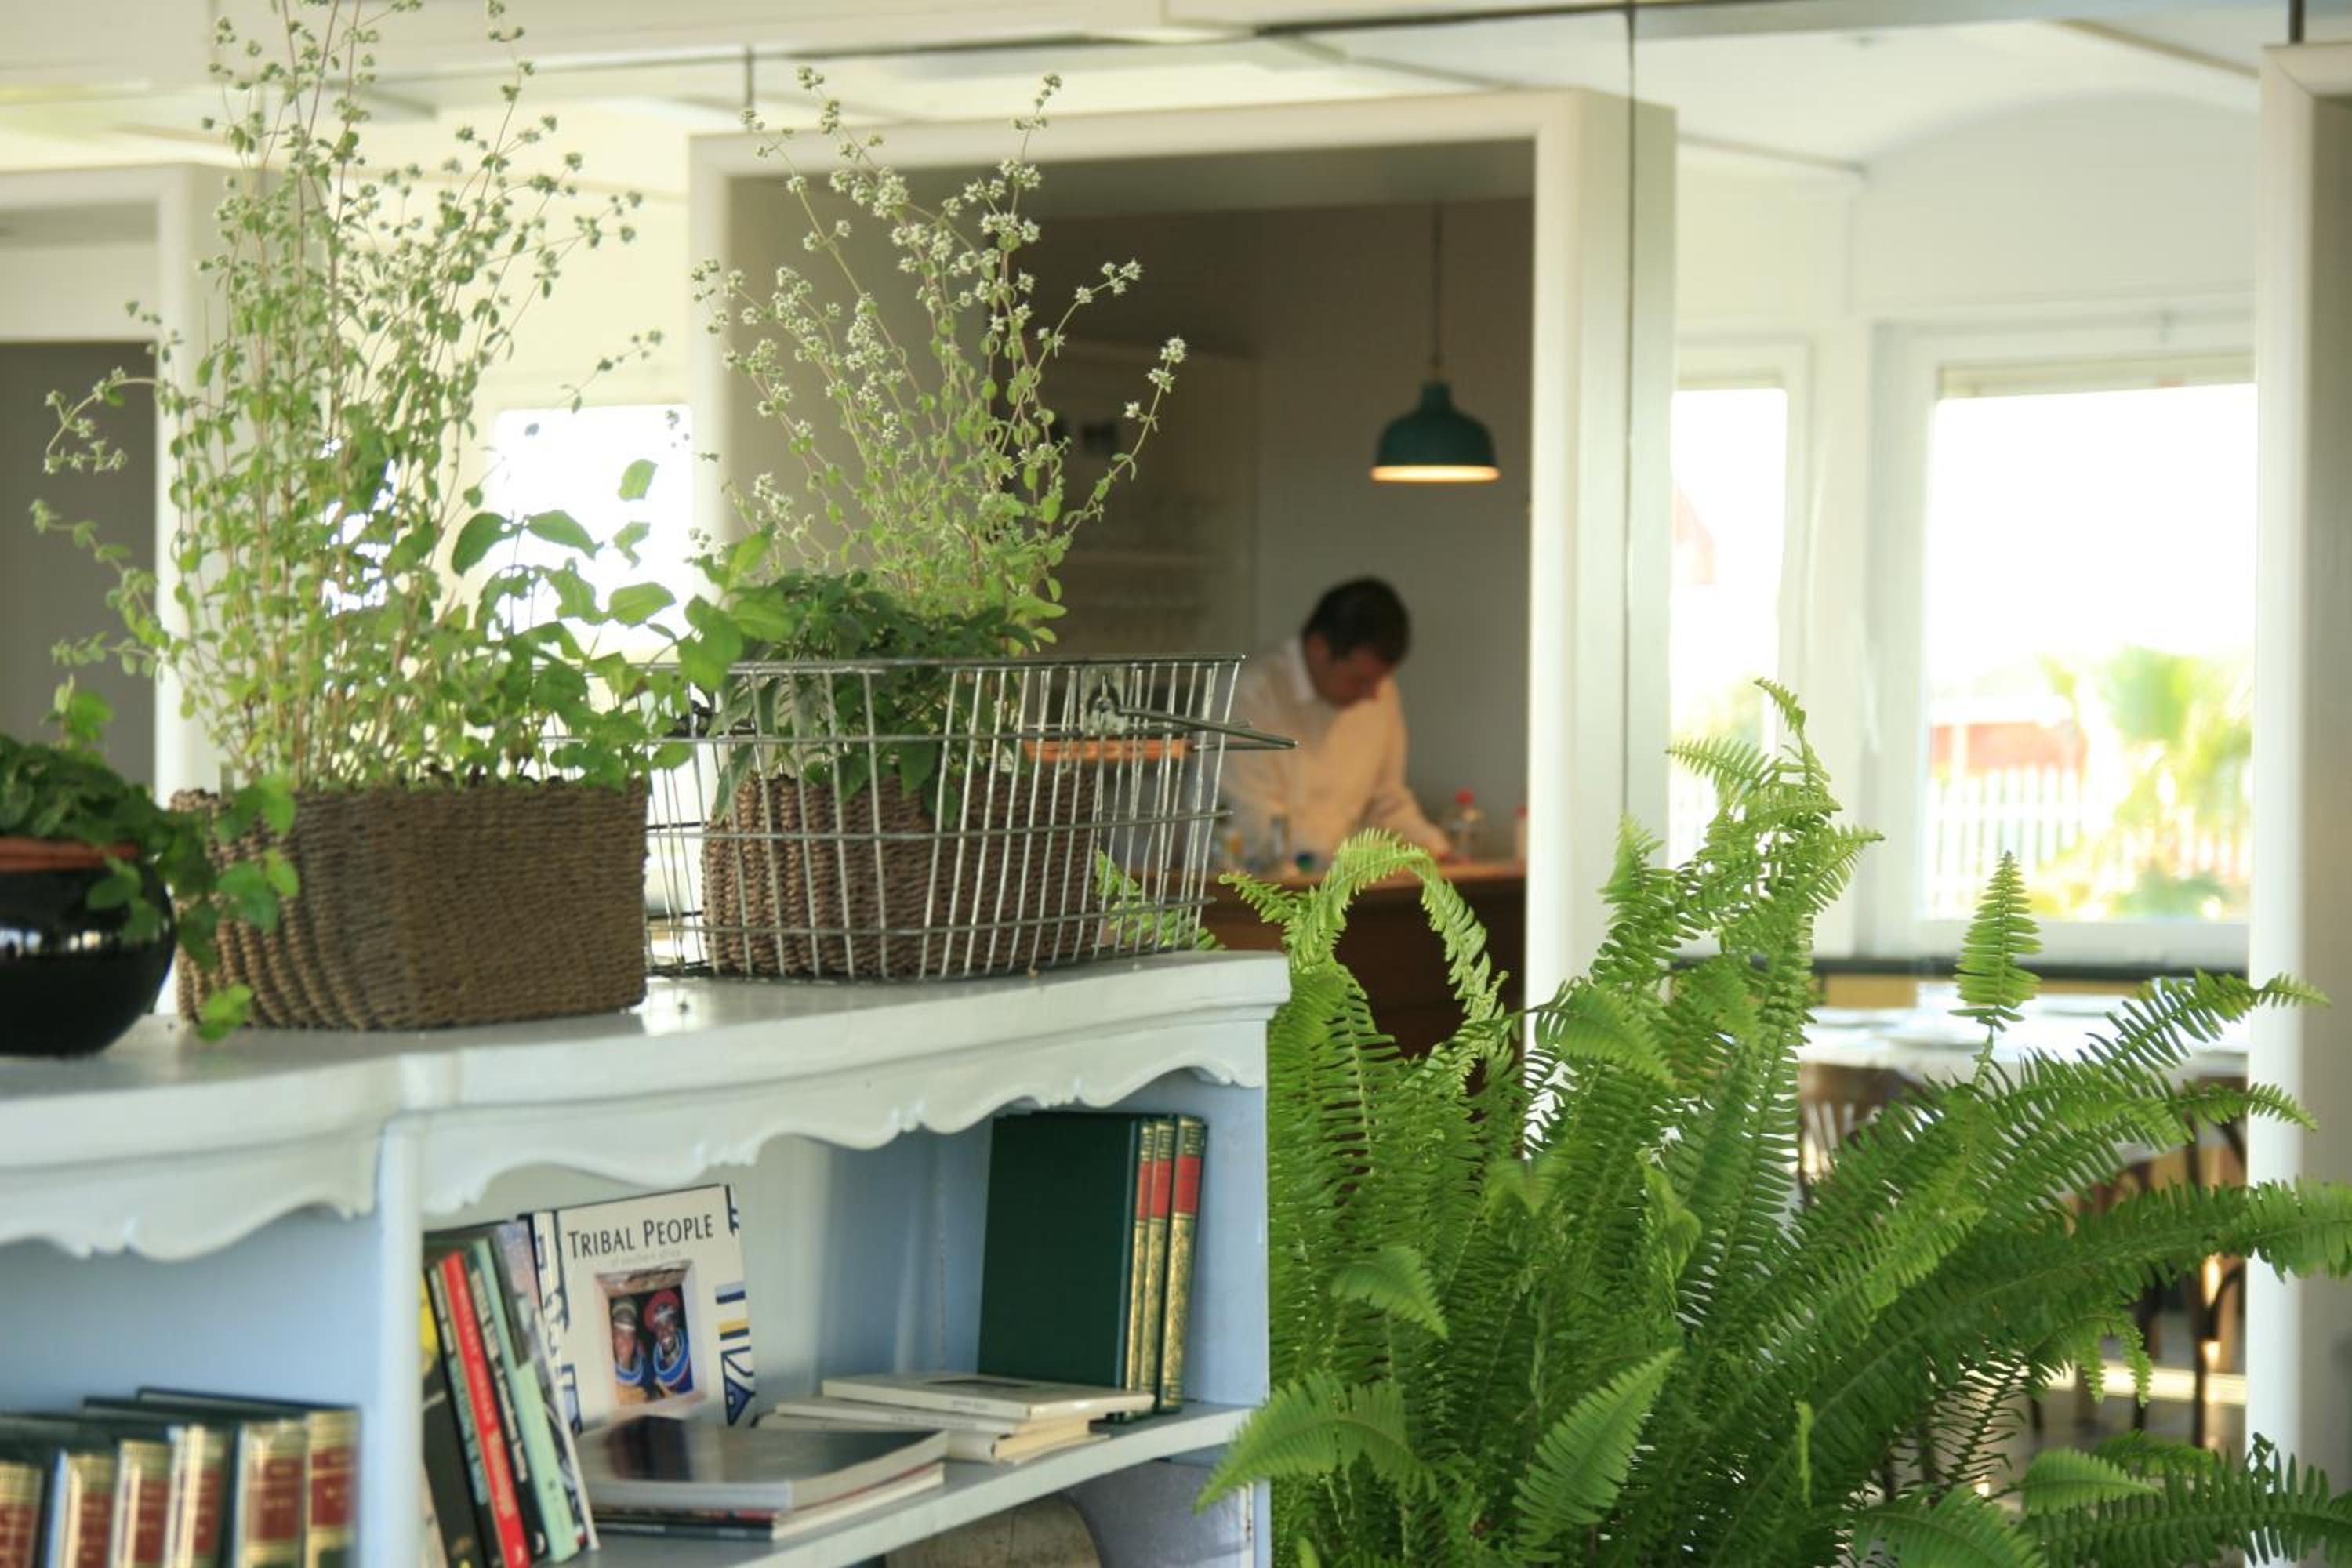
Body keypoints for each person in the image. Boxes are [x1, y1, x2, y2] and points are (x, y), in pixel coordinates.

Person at [1221, 578, 1450, 868]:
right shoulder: (1249, 693)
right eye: (1359, 680)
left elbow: (1386, 803)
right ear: (1319, 648)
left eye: (1380, 680)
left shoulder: (1379, 691)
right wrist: (1360, 857)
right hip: (1245, 883)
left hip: (1340, 879)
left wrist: (1432, 849)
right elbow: (1255, 823)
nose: (1373, 694)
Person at [645, 1288, 695, 1399]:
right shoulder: (653, 1370)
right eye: (659, 1326)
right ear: (655, 1332)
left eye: (668, 1321)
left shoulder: (696, 1351)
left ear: (676, 1323)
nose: (664, 1330)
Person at [608, 1297, 655, 1405]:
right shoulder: (602, 1373)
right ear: (612, 1334)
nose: (626, 1340)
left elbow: (656, 1391)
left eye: (631, 1333)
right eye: (620, 1331)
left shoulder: (646, 1371)